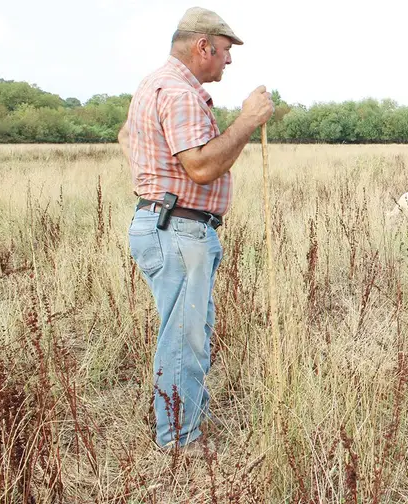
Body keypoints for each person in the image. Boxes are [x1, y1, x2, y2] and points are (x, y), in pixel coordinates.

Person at [118, 6, 274, 455]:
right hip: (178, 229)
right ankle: (180, 440)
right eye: (225, 50)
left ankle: (186, 423)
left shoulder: (153, 84)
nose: (229, 60)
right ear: (202, 46)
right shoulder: (181, 93)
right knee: (184, 335)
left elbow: (127, 136)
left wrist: (150, 182)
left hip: (165, 222)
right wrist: (247, 120)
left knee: (187, 329)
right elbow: (202, 165)